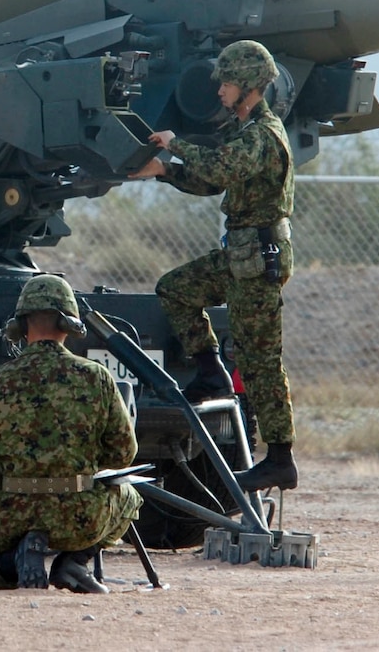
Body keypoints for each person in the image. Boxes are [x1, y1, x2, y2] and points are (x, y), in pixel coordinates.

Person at [130, 39, 297, 493]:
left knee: (261, 361)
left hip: (257, 261)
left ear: (247, 85)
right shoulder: (245, 132)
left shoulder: (262, 135)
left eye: (226, 82)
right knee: (176, 289)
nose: (219, 90)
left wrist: (174, 145)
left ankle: (280, 459)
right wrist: (164, 171)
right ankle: (210, 373)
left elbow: (220, 168)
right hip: (240, 256)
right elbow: (211, 181)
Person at [0, 274, 143, 593]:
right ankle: (74, 563)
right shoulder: (97, 377)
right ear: (70, 324)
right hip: (82, 514)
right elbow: (124, 452)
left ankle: (18, 559)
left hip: (13, 516)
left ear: (20, 326)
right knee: (131, 498)